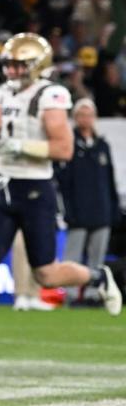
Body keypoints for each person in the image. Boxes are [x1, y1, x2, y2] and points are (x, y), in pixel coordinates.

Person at [0, 34, 122, 355]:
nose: (12, 70)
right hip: (2, 186)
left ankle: (98, 277)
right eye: (9, 64)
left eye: (19, 64)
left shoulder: (52, 95)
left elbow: (64, 149)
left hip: (35, 189)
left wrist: (21, 146)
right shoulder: (2, 93)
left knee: (46, 274)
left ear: (37, 66)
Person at [55, 98, 119, 301]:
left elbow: (110, 180)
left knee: (97, 257)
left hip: (101, 209)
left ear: (95, 118)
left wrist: (113, 209)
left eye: (89, 115)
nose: (86, 119)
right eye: (81, 114)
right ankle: (71, 293)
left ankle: (95, 294)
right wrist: (66, 210)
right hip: (78, 210)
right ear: (74, 118)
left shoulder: (102, 146)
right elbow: (62, 182)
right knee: (72, 256)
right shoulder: (69, 144)